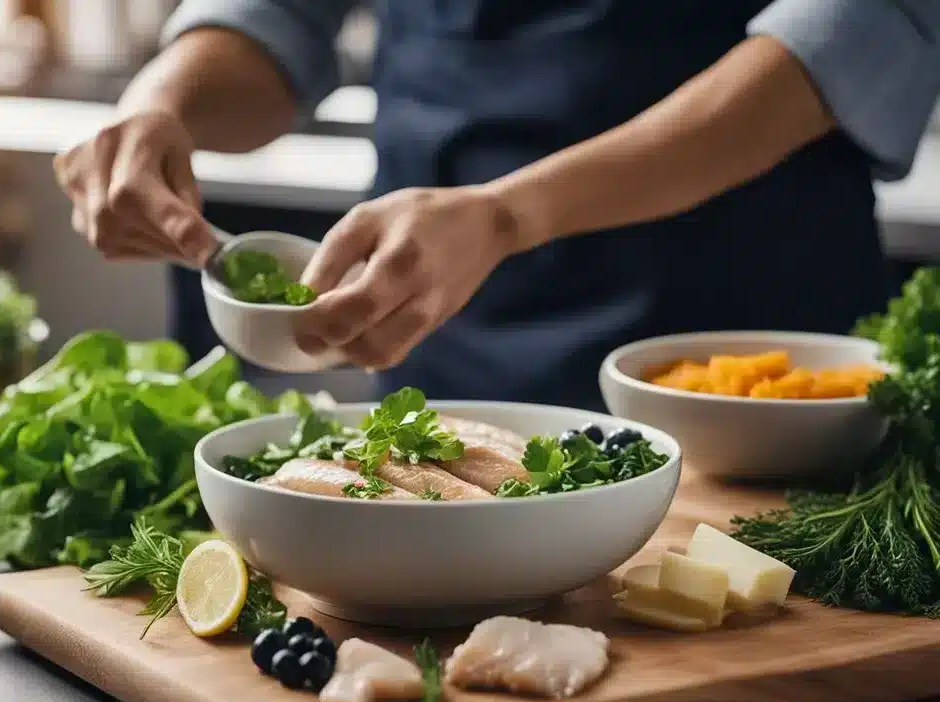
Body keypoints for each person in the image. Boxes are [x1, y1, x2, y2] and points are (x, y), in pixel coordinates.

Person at [55, 0, 940, 408]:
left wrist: (510, 212)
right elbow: (278, 17)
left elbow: (849, 35)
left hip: (733, 342)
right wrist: (160, 103)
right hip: (442, 348)